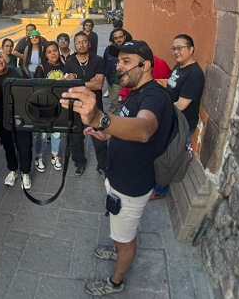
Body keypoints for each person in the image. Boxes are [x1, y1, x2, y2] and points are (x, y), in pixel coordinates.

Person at [61, 40, 175, 297]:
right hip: (118, 175)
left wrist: (98, 118)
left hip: (131, 184)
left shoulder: (154, 96)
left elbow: (144, 129)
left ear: (145, 66)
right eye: (118, 60)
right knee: (120, 230)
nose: (118, 66)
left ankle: (116, 281)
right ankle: (118, 247)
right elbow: (127, 126)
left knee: (126, 239)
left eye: (126, 62)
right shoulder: (136, 91)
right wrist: (107, 134)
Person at [151, 34, 205, 199]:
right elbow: (172, 85)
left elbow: (181, 105)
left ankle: (160, 190)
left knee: (168, 158)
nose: (176, 52)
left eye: (180, 48)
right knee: (159, 152)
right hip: (170, 120)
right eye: (173, 48)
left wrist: (158, 107)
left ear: (191, 49)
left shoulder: (194, 74)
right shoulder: (179, 66)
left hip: (181, 125)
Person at [0, 50, 32, 189]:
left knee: (25, 146)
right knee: (8, 146)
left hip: (23, 118)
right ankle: (13, 170)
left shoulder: (18, 72)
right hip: (3, 120)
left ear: (4, 58)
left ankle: (25, 173)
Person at [63, 31, 106, 177]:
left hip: (95, 106)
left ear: (89, 43)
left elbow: (99, 85)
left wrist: (77, 82)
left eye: (84, 41)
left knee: (99, 136)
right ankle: (79, 162)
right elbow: (67, 86)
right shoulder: (69, 62)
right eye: (78, 42)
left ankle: (103, 165)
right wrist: (89, 82)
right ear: (74, 45)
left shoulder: (98, 60)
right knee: (75, 138)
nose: (81, 45)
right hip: (75, 107)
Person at [33, 42, 66, 173]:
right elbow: (36, 88)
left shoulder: (64, 66)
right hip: (44, 107)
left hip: (58, 106)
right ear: (45, 54)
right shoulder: (41, 68)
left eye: (55, 50)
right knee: (41, 134)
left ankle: (55, 156)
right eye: (49, 51)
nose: (53, 53)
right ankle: (39, 157)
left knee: (56, 134)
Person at [103, 28, 132, 114]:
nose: (118, 40)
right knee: (113, 102)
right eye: (116, 38)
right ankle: (111, 117)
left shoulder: (131, 50)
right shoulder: (109, 49)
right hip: (113, 81)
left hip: (128, 82)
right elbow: (104, 63)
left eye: (120, 37)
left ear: (125, 37)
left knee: (129, 102)